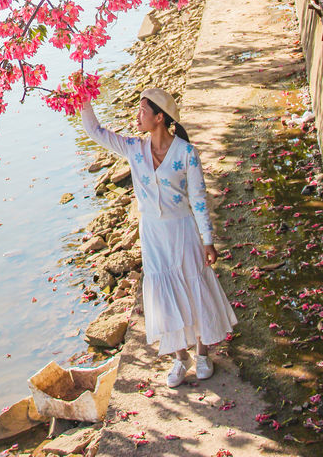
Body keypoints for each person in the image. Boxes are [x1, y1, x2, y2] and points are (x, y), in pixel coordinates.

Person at [80, 86, 237, 388]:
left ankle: (203, 353)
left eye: (142, 110)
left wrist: (207, 239)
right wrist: (83, 98)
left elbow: (199, 198)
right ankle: (181, 358)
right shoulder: (133, 148)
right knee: (165, 296)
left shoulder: (185, 153)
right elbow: (96, 131)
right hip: (152, 233)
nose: (136, 115)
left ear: (159, 117)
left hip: (182, 231)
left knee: (193, 287)